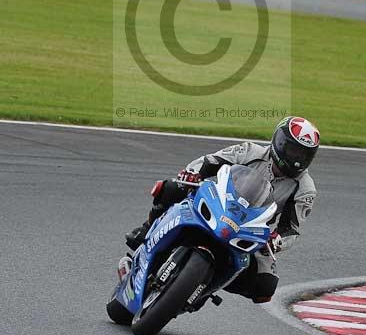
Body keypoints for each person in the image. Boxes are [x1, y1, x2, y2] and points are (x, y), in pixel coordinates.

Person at [120, 115, 319, 304]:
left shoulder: (305, 189)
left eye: (304, 154)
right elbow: (210, 161)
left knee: (265, 287)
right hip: (217, 202)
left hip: (251, 228)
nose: (297, 159)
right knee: (172, 187)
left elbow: (291, 229)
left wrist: (277, 241)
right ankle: (146, 230)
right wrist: (192, 173)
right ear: (280, 142)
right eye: (293, 151)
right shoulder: (250, 151)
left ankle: (206, 286)